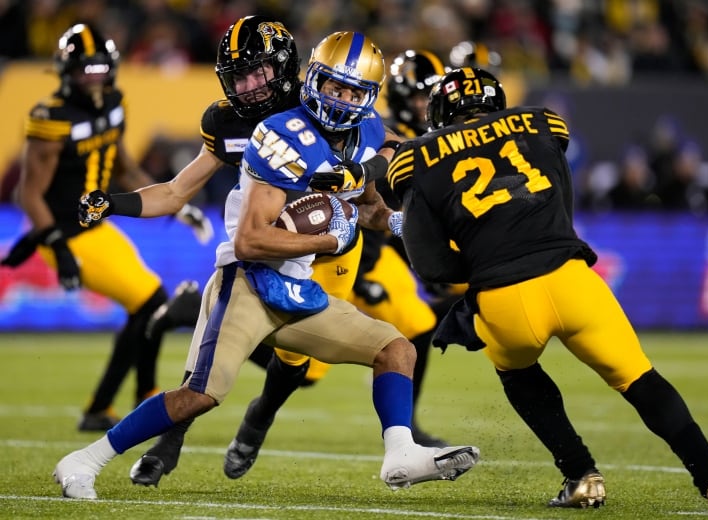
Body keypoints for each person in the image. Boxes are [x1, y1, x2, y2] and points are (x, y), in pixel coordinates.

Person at [54, 30, 480, 501]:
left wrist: (400, 220)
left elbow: (373, 201)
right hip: (249, 279)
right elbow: (248, 237)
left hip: (303, 281)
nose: (340, 101)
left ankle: (400, 453)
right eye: (332, 87)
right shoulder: (277, 134)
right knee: (203, 393)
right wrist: (329, 234)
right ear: (312, 80)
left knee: (396, 350)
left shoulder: (367, 132)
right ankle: (85, 460)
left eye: (351, 92)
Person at [386, 66, 708, 515]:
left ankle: (581, 476)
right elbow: (560, 204)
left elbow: (432, 267)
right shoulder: (539, 123)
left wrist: (481, 269)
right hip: (572, 279)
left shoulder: (417, 156)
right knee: (642, 381)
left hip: (505, 301)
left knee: (519, 375)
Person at [0, 23, 209, 433]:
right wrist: (58, 249)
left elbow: (123, 167)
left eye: (100, 70)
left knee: (148, 303)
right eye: (85, 71)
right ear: (66, 71)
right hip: (62, 231)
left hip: (94, 225)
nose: (94, 80)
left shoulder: (115, 102)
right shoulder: (52, 119)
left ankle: (104, 406)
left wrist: (175, 204)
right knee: (151, 302)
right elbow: (30, 195)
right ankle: (145, 396)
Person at [344, 48, 454, 447]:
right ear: (404, 96)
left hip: (388, 246)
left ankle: (406, 426)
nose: (428, 104)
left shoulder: (428, 138)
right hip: (356, 251)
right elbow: (370, 208)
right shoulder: (380, 135)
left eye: (432, 96)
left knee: (422, 324)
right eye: (421, 96)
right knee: (299, 370)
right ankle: (257, 420)